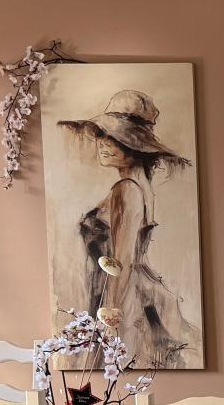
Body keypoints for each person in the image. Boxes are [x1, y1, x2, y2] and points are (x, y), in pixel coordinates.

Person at [58, 89, 202, 368]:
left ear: (136, 146)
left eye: (114, 138)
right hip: (131, 291)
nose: (103, 143)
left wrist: (111, 312)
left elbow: (121, 259)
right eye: (102, 135)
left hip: (123, 297)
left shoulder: (126, 190)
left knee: (116, 369)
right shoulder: (139, 187)